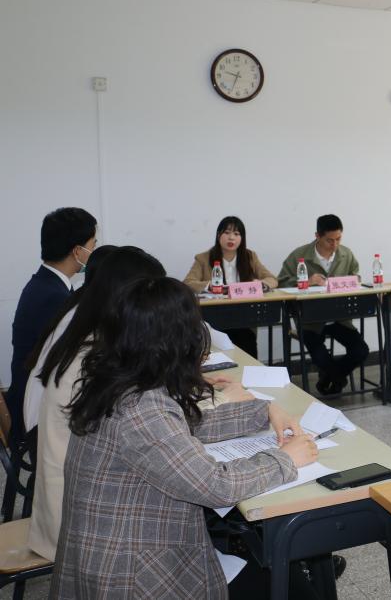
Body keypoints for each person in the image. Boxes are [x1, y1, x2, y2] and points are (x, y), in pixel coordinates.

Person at [51, 277, 317, 599]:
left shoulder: (119, 381)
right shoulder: (141, 409)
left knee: (273, 565)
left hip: (114, 552)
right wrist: (286, 459)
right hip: (131, 574)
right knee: (292, 587)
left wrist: (263, 411)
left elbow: (182, 427)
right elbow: (216, 486)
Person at [23, 247, 168, 561]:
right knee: (183, 504)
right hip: (79, 521)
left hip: (68, 493)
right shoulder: (93, 354)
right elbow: (142, 426)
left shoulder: (88, 328)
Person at [6, 206, 96, 441]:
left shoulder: (45, 284)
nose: (94, 251)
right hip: (35, 414)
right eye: (93, 244)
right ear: (77, 251)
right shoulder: (53, 297)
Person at [277, 214, 368, 397]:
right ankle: (337, 379)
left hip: (339, 318)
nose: (335, 244)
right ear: (317, 236)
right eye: (329, 240)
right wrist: (307, 281)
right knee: (320, 357)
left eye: (338, 239)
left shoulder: (346, 254)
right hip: (310, 320)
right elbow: (281, 282)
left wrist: (352, 280)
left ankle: (329, 379)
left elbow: (356, 276)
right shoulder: (300, 255)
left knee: (361, 351)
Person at [184, 216, 279, 356]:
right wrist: (209, 286)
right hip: (214, 316)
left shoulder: (250, 256)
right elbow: (188, 282)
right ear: (218, 235)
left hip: (244, 316)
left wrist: (261, 284)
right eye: (227, 233)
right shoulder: (203, 258)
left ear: (242, 238)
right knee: (220, 350)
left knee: (247, 344)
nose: (231, 238)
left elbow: (272, 279)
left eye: (236, 234)